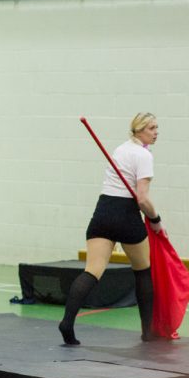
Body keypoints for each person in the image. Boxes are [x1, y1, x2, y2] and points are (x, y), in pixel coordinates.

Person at [59, 112, 161, 345]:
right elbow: (143, 199)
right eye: (151, 128)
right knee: (143, 271)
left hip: (103, 211)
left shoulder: (121, 149)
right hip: (125, 213)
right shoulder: (144, 155)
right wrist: (156, 220)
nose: (156, 133)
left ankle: (67, 323)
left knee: (92, 270)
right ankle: (148, 333)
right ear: (138, 130)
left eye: (157, 128)